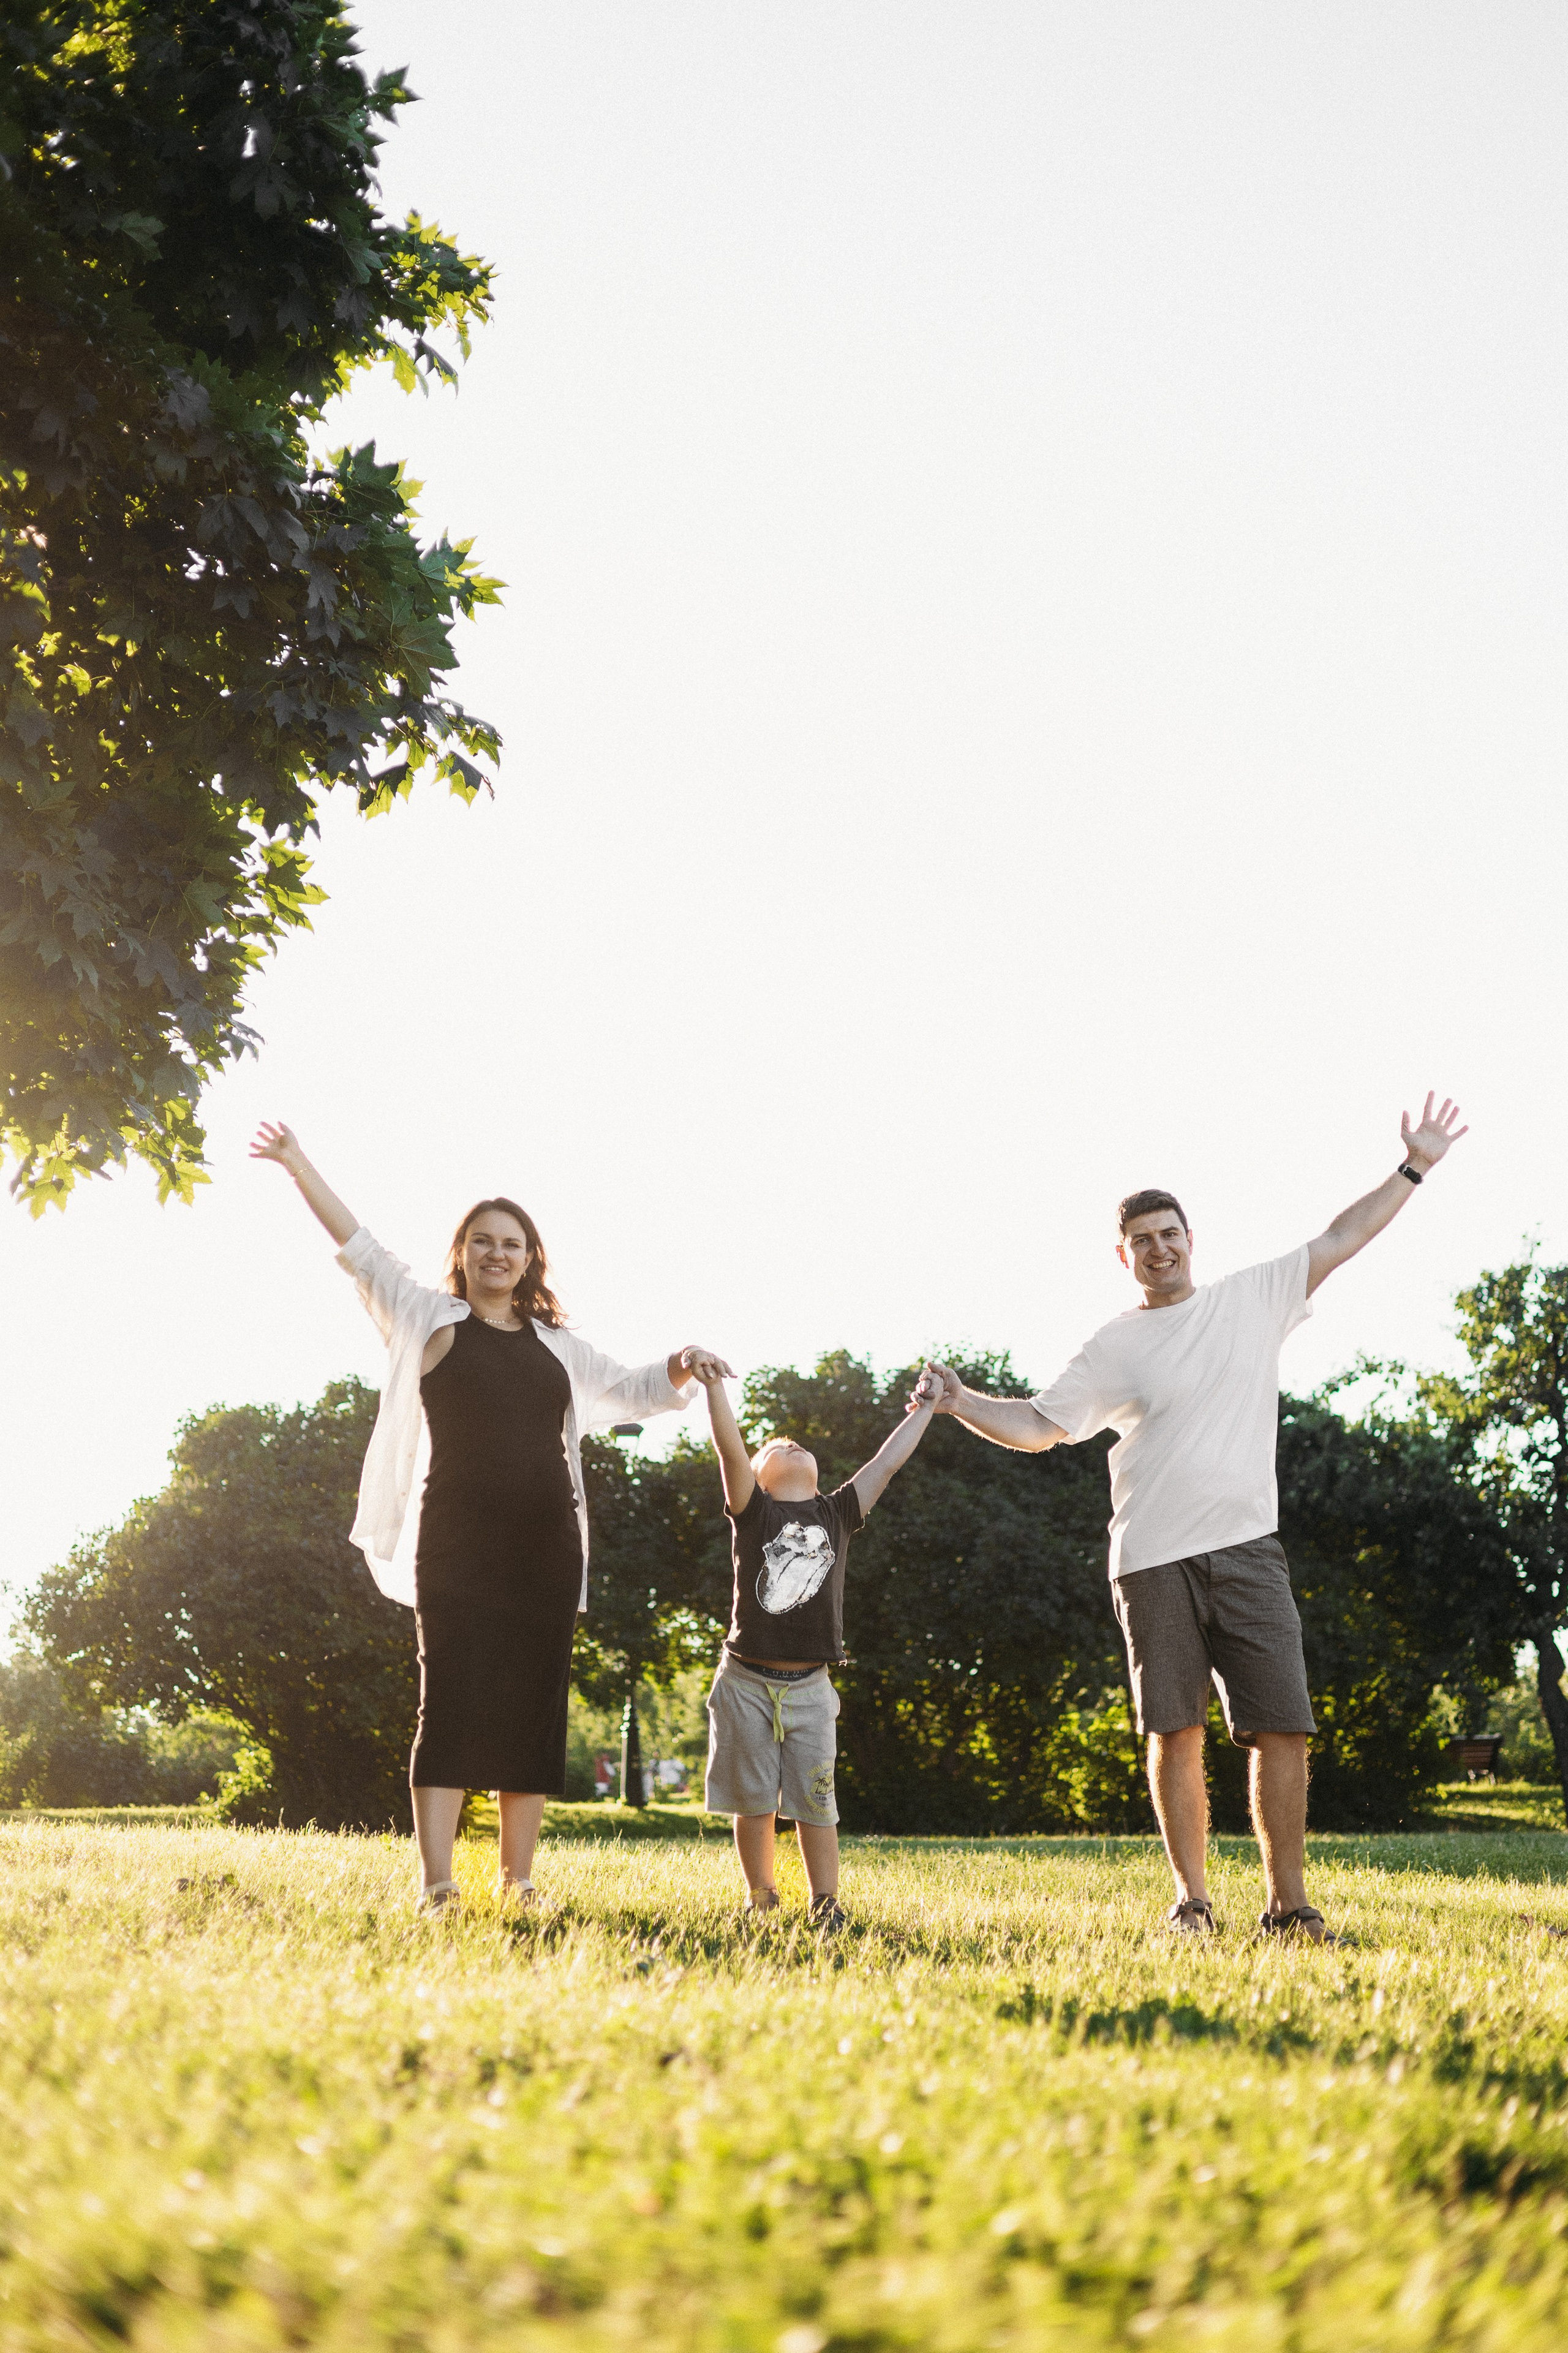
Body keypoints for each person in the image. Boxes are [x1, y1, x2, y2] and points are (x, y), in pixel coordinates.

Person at [919, 1093, 1468, 1941]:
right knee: (1173, 1730)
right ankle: (1193, 1902)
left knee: (1283, 1724)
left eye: (1169, 1233)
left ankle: (1288, 1904)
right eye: (1142, 1240)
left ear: (1188, 1239)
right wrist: (959, 1402)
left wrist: (1414, 1166)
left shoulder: (1252, 1298)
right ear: (1124, 1255)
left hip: (1248, 1549)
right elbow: (1038, 1426)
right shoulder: (1114, 1346)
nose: (1159, 1248)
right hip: (1150, 1557)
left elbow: (1342, 1237)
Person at [250, 1122, 729, 1911]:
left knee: (532, 1712)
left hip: (546, 1550)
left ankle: (518, 1881)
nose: (497, 1254)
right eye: (483, 1242)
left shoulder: (557, 1346)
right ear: (463, 1253)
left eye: (512, 1243)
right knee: (449, 1706)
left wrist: (684, 1359)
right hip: (457, 1544)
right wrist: (299, 1163)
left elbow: (638, 1386)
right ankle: (437, 1886)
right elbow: (359, 1244)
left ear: (530, 1258)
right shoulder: (425, 1318)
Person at [692, 1363, 938, 1928]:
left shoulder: (838, 1513)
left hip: (811, 1687)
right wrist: (713, 1387)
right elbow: (731, 1450)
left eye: (797, 1443)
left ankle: (826, 1902)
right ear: (760, 1478)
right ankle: (762, 1896)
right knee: (755, 1802)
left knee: (816, 1799)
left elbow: (887, 1462)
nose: (792, 1443)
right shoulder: (756, 1512)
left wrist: (925, 1408)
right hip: (746, 1681)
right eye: (776, 1447)